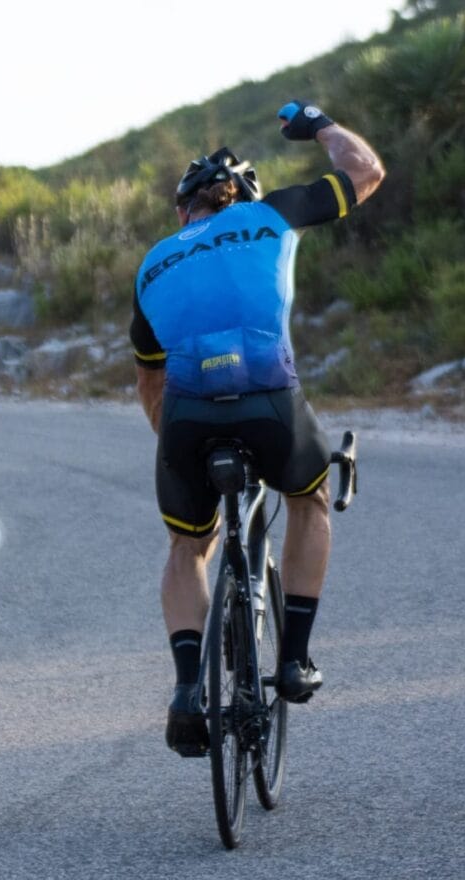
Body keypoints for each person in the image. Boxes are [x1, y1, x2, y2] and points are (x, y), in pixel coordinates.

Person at [129, 100, 385, 756]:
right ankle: (294, 659)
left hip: (186, 417)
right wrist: (320, 123)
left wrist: (177, 451)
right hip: (268, 400)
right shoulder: (270, 215)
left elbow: (150, 382)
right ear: (242, 195)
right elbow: (366, 170)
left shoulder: (153, 262)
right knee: (309, 497)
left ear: (183, 210)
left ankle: (187, 688)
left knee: (187, 547)